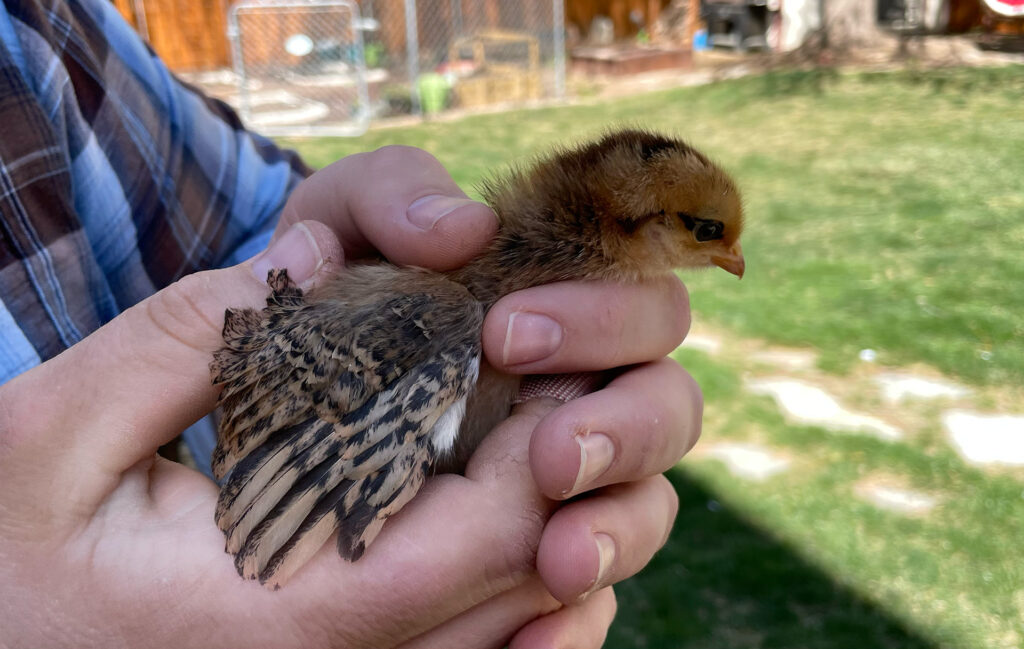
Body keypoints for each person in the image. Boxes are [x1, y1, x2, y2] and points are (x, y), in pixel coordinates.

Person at [0, 0, 703, 646]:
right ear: (639, 224)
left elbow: (248, 228)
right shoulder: (441, 323)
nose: (727, 257)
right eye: (707, 232)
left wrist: (335, 235)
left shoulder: (37, 26)